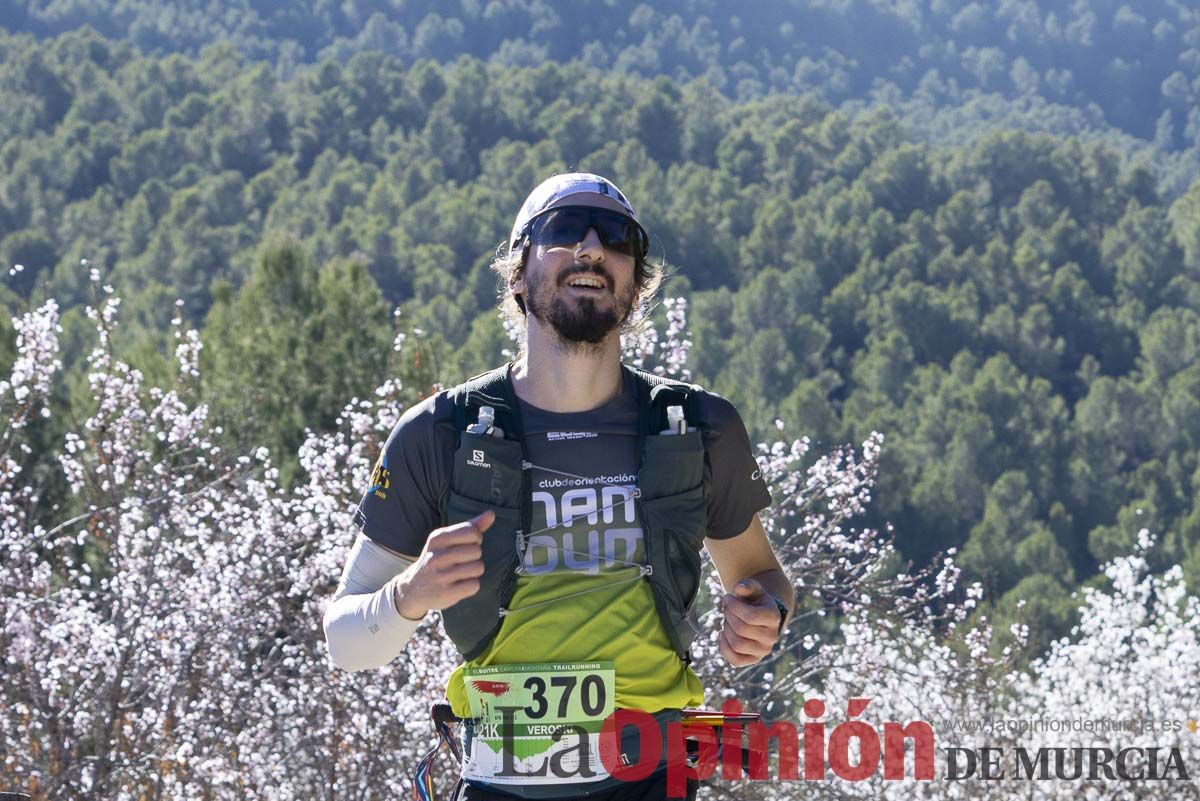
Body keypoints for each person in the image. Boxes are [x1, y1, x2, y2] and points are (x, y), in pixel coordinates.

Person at [323, 172, 794, 800]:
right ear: (518, 274)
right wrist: (411, 594)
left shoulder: (698, 427)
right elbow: (345, 642)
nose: (593, 248)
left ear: (636, 284)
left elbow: (763, 576)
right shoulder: (440, 434)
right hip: (499, 782)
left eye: (619, 239)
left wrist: (766, 614)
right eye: (566, 230)